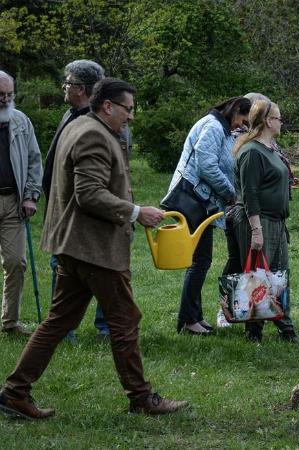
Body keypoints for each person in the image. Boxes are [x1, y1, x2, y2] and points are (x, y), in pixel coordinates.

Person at [0, 78, 188, 419]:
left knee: (59, 321)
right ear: (108, 106)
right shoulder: (93, 135)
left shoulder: (81, 125)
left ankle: (15, 392)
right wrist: (136, 212)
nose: (131, 116)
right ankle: (141, 398)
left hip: (74, 246)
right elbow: (89, 193)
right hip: (94, 249)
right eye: (128, 109)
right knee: (125, 320)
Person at [43, 60, 116, 343]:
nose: (64, 86)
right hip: (63, 208)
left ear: (81, 88)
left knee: (102, 268)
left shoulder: (100, 122)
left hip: (84, 209)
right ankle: (63, 329)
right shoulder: (70, 114)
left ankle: (107, 329)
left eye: (69, 82)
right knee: (63, 267)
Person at [168, 96, 251, 335]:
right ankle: (188, 320)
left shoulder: (220, 128)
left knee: (200, 260)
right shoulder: (213, 126)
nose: (241, 125)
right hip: (193, 202)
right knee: (200, 261)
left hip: (201, 203)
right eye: (242, 119)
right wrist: (230, 193)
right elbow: (206, 166)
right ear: (236, 110)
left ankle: (194, 316)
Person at [225, 99, 298, 343]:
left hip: (276, 220)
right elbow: (250, 194)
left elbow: (269, 180)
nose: (281, 122)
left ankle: (285, 326)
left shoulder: (270, 148)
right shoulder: (251, 152)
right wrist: (256, 231)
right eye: (278, 118)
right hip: (258, 220)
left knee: (278, 275)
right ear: (267, 121)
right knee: (256, 276)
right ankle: (253, 330)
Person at [0, 71, 42, 337]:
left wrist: (30, 196)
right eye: (0, 95)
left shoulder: (21, 121)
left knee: (16, 263)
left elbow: (34, 160)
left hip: (13, 203)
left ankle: (10, 322)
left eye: (9, 94)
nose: (5, 99)